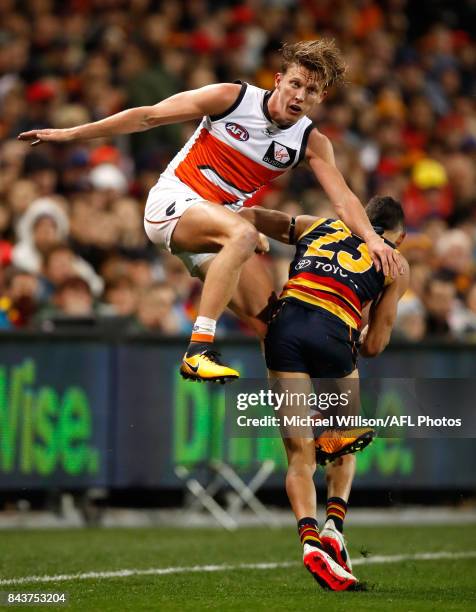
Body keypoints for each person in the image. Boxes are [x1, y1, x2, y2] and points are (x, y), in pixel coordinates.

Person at [19, 39, 403, 382]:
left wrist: (372, 239)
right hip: (174, 202)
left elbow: (344, 199)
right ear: (278, 79)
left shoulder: (311, 142)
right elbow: (149, 115)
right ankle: (197, 350)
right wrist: (69, 134)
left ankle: (306, 431)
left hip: (220, 229)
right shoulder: (232, 99)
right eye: (296, 84)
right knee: (244, 235)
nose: (300, 96)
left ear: (320, 99)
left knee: (277, 325)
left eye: (312, 91)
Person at [240, 196, 409, 590]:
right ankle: (334, 526)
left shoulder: (318, 224)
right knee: (343, 439)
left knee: (300, 456)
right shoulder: (395, 261)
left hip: (286, 327)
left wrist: (237, 221)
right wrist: (365, 334)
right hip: (334, 333)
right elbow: (374, 346)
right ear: (399, 234)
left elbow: (258, 217)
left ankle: (309, 542)